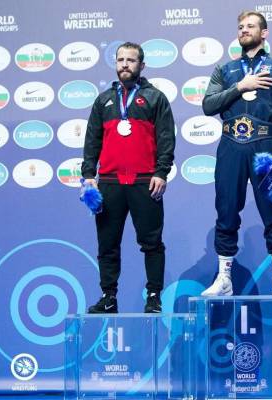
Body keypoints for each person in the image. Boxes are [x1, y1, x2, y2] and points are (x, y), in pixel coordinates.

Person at [201, 11, 272, 296]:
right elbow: (208, 106)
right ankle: (224, 278)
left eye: (250, 26)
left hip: (265, 146)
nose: (244, 30)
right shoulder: (225, 69)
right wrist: (240, 87)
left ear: (264, 33)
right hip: (230, 145)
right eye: (241, 27)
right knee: (226, 210)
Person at [82, 42, 175, 313]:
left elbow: (166, 138)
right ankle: (108, 298)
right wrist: (88, 175)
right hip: (109, 183)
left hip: (145, 182)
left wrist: (161, 172)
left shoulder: (155, 98)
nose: (125, 64)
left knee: (152, 243)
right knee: (107, 244)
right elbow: (92, 140)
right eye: (120, 59)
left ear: (141, 65)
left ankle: (154, 297)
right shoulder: (103, 101)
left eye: (131, 60)